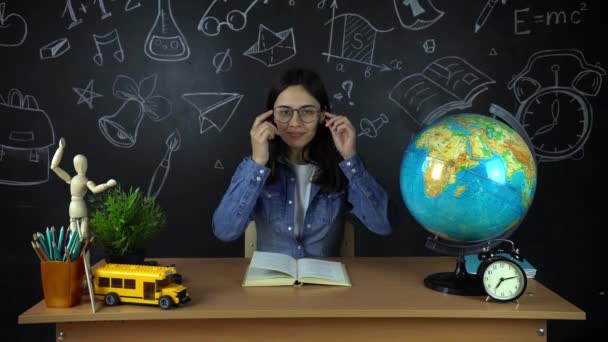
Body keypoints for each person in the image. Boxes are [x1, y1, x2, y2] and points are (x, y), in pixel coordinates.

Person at [212, 67, 392, 257]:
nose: (295, 122)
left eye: (306, 112)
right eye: (284, 112)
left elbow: (383, 225)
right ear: (271, 116)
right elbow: (224, 231)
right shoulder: (253, 167)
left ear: (322, 116)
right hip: (271, 282)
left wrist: (350, 158)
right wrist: (258, 163)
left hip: (324, 281)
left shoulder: (342, 167)